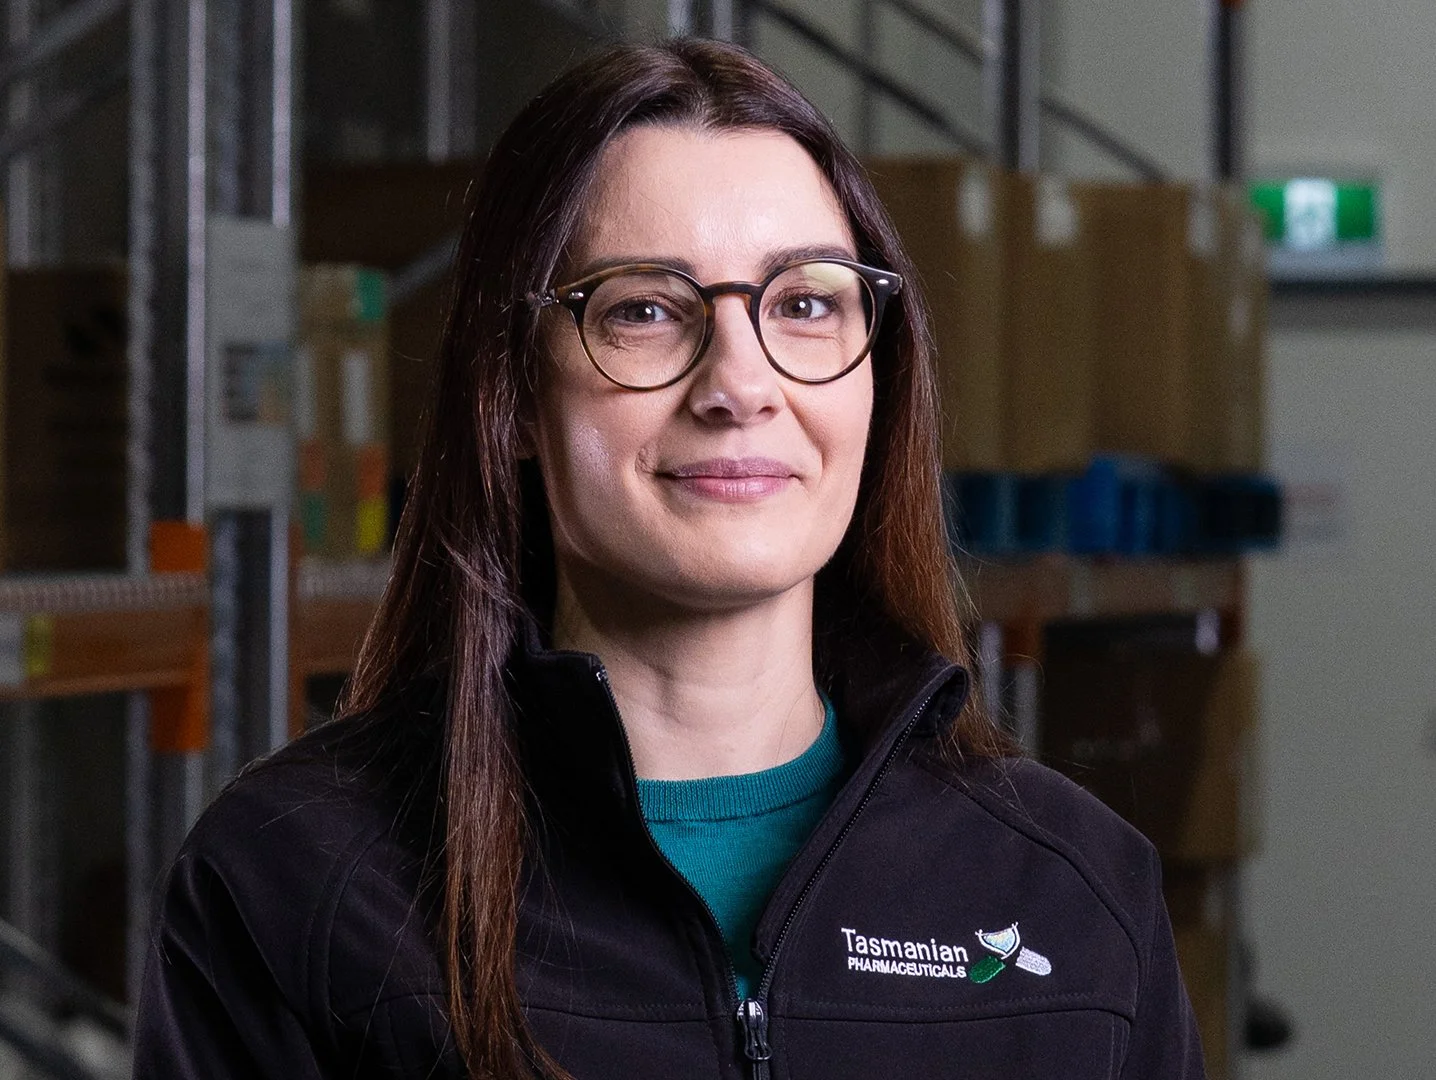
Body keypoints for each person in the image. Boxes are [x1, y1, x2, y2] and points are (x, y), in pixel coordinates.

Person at [134, 38, 1205, 1080]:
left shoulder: (1073, 895)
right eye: (644, 309)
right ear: (513, 393)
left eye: (805, 304)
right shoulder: (299, 882)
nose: (740, 385)